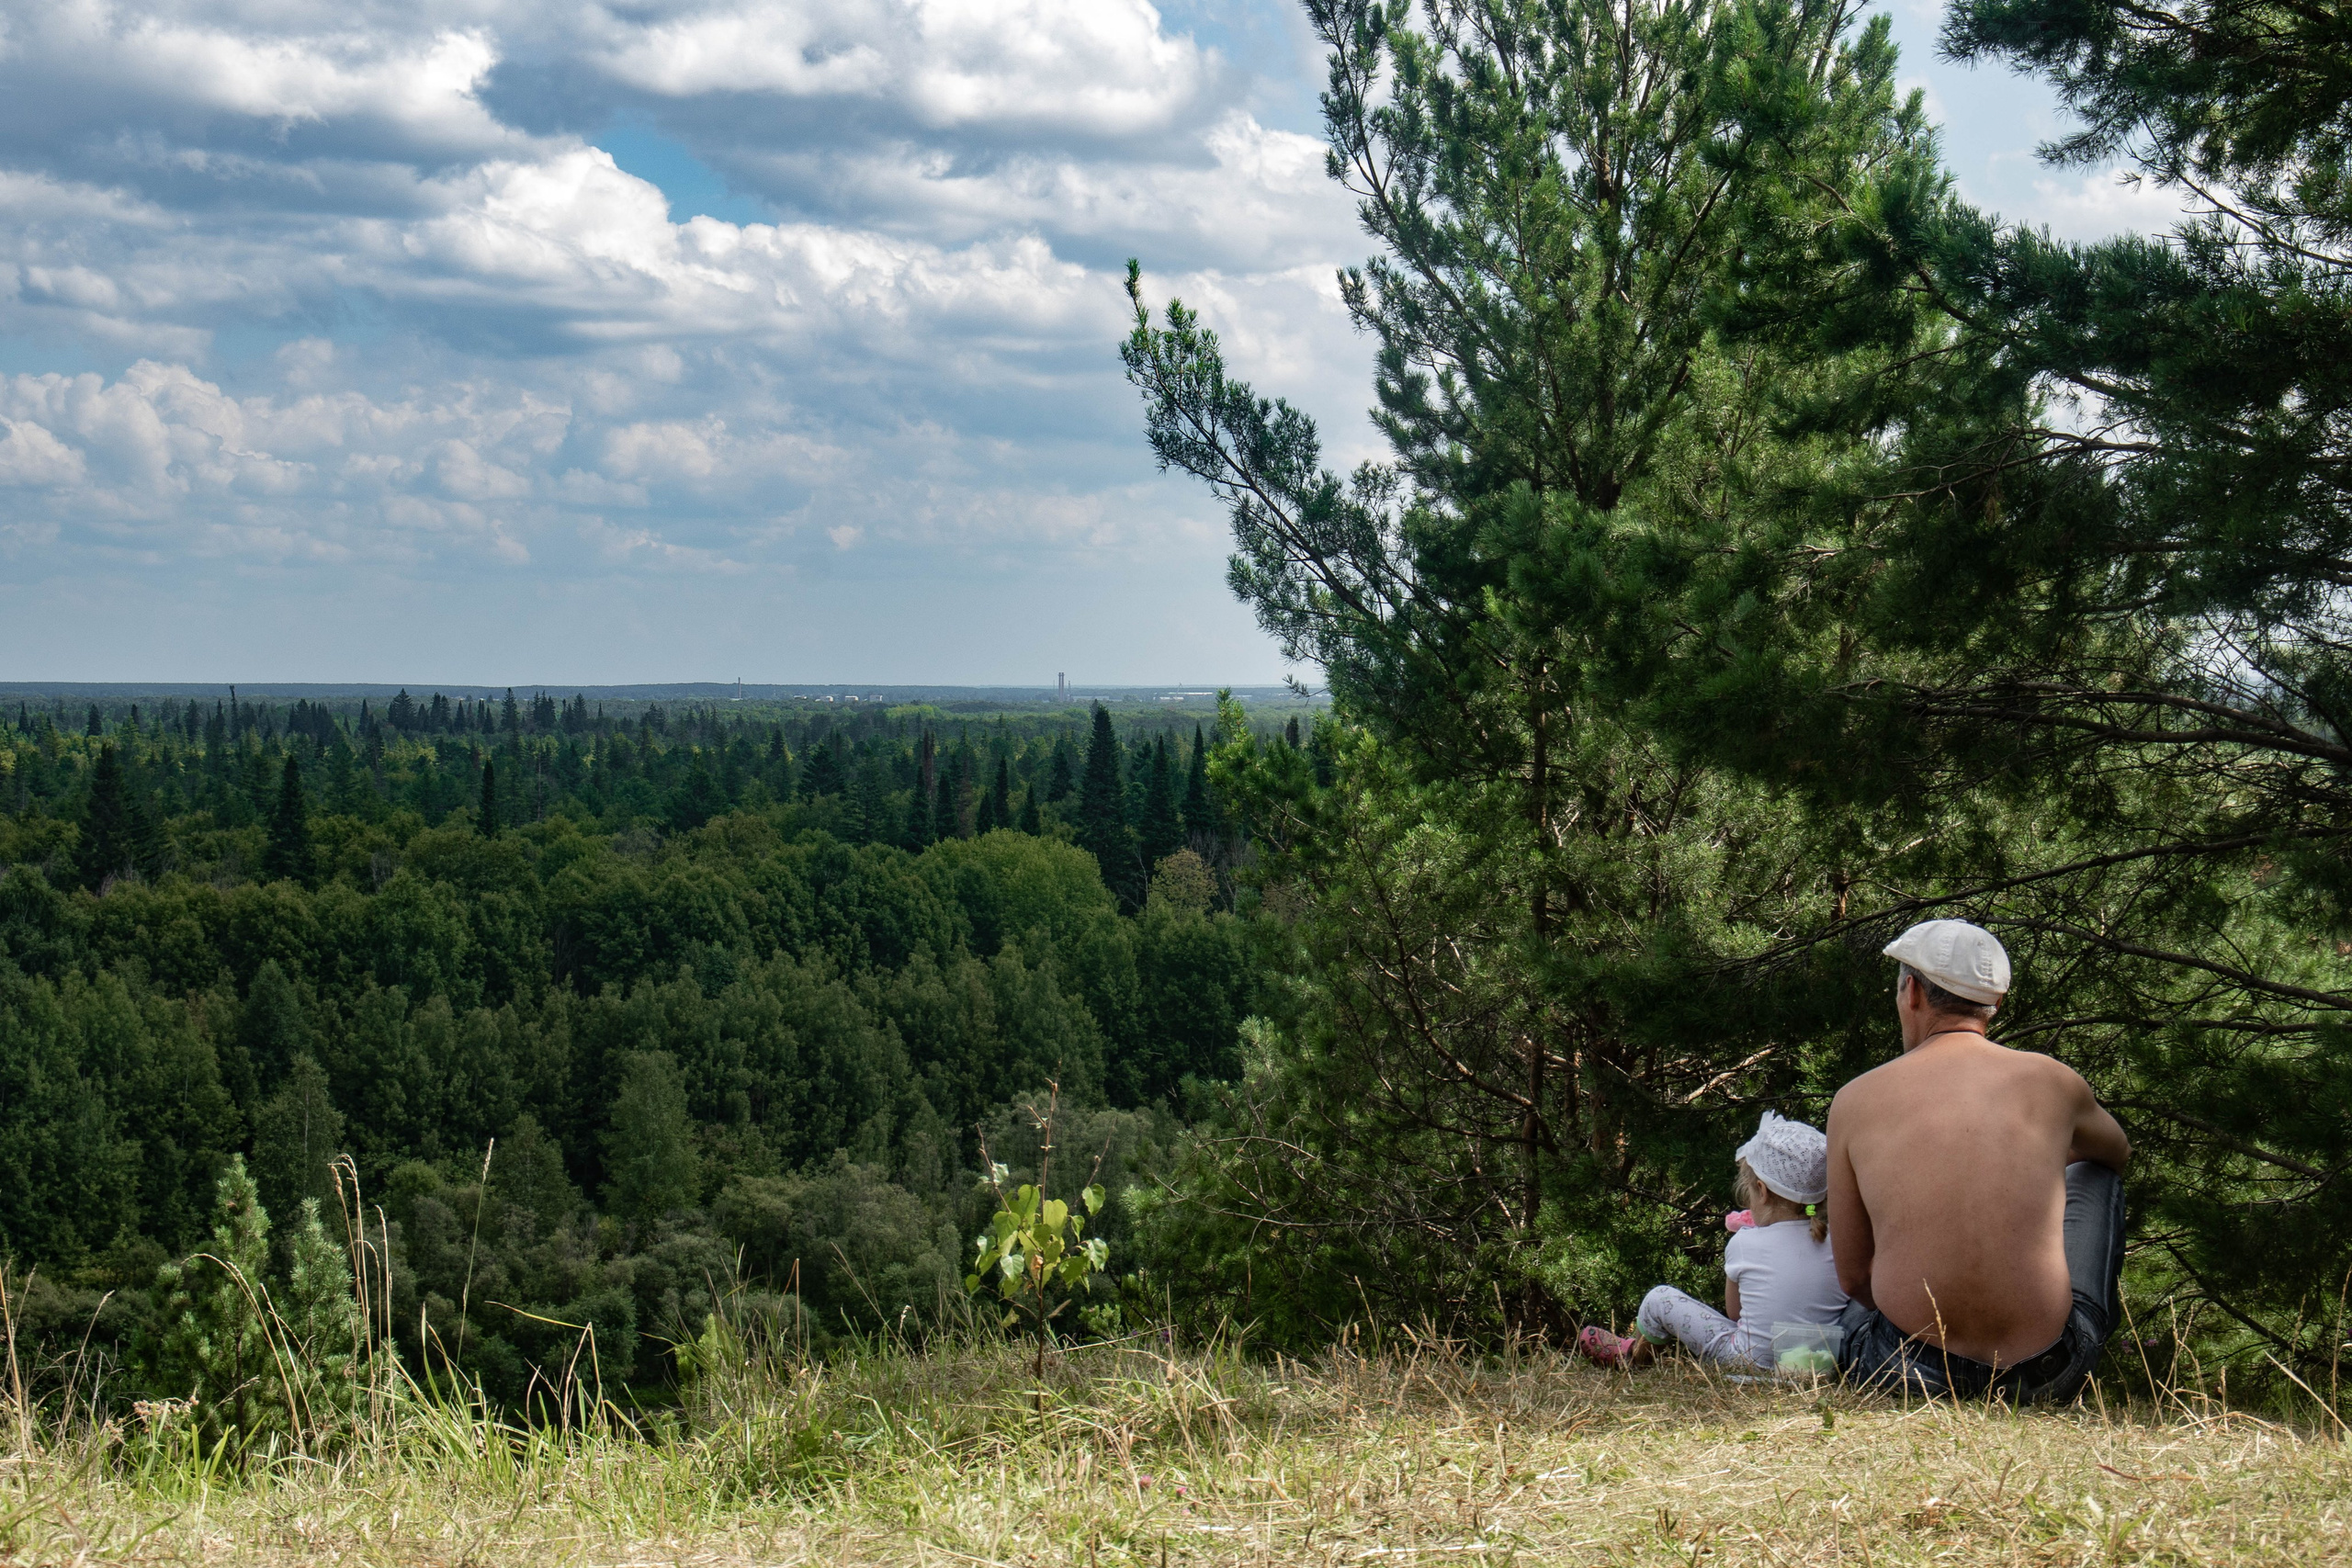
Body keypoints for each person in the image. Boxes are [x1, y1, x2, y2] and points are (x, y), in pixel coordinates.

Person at [1827, 919, 2131, 1402]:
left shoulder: (1854, 1099)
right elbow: (2117, 1153)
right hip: (2047, 1373)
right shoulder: (2053, 1080)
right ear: (1995, 1004)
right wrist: (2042, 1153)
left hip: (1906, 1370)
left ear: (1911, 993)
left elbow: (1854, 1277)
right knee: (2097, 1173)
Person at [1577, 1112, 1848, 1371]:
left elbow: (1734, 1314)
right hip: (1817, 1362)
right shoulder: (1838, 1241)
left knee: (1659, 1299)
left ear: (1762, 1192)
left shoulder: (1744, 1243)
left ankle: (1634, 1356)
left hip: (1750, 1362)